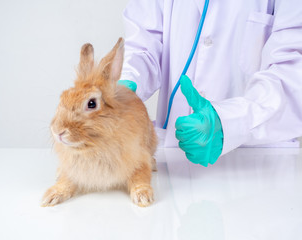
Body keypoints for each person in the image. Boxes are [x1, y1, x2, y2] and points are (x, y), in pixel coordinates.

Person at [118, 0, 302, 166]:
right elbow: (144, 41)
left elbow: (293, 73)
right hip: (175, 158)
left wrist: (231, 122)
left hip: (259, 162)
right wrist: (129, 79)